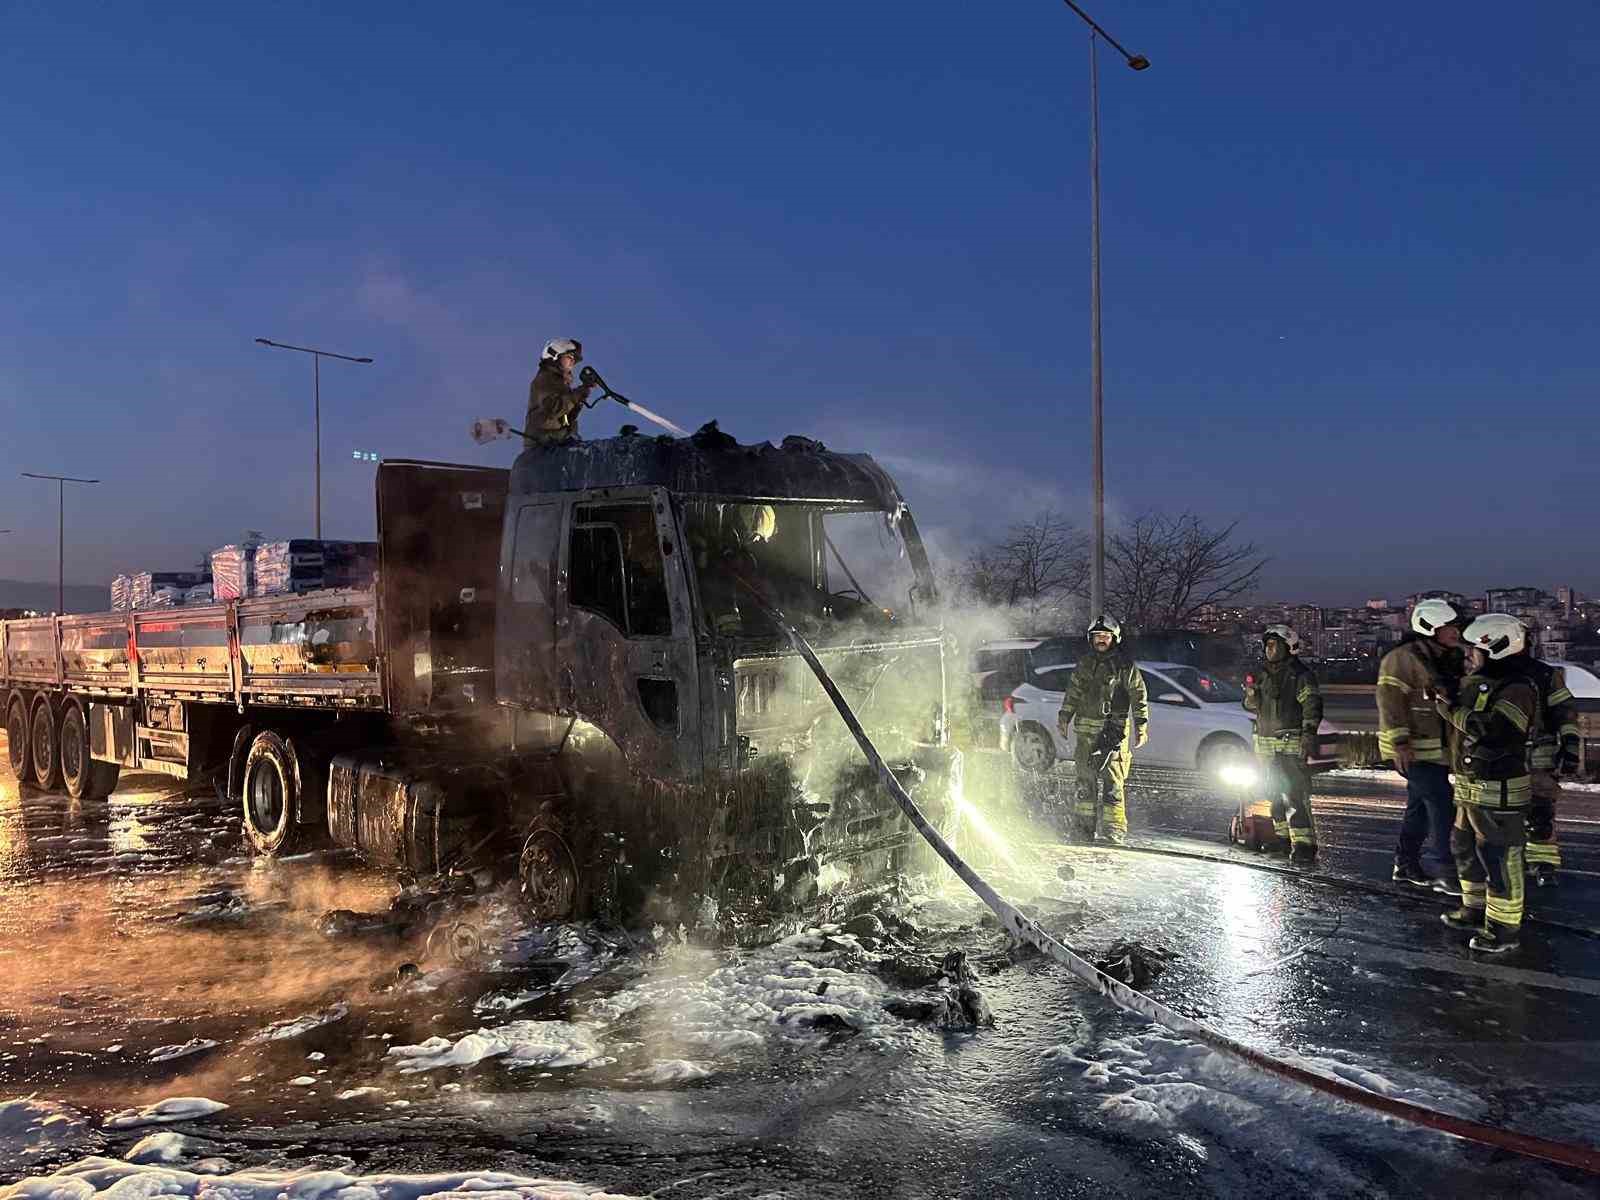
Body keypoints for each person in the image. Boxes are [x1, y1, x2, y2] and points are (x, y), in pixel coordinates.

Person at [1435, 614, 1540, 955]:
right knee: (1463, 846)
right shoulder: (1482, 683)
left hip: (1500, 787)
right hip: (1471, 786)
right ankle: (1474, 909)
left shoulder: (1517, 687)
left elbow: (1497, 731)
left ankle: (1503, 928)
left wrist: (1451, 710)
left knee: (1499, 856)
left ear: (1495, 647)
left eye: (1474, 650)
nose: (1469, 656)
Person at [1377, 598, 1465, 891]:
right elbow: (1390, 702)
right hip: (1412, 749)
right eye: (1449, 626)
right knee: (1441, 803)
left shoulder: (1446, 656)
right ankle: (1448, 871)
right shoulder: (1402, 658)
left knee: (1419, 807)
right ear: (1430, 626)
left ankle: (1405, 865)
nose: (1456, 631)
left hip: (1435, 751)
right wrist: (1400, 741)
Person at [1056, 615, 1148, 845]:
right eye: (1097, 636)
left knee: (1113, 785)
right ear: (1091, 638)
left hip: (1113, 735)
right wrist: (1064, 717)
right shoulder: (1085, 664)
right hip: (1085, 737)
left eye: (1105, 636)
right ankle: (1083, 830)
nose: (1101, 640)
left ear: (1114, 638)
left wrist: (1141, 726)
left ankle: (1114, 831)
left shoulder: (1124, 666)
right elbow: (1073, 693)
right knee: (1084, 784)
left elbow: (1139, 695)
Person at [1241, 625, 1323, 864]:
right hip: (1265, 745)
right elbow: (1250, 707)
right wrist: (1250, 698)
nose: (1269, 649)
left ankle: (1305, 845)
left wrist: (1309, 734)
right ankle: (1281, 838)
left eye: (1275, 644)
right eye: (1267, 644)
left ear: (1289, 647)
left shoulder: (1300, 675)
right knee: (1273, 794)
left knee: (1295, 795)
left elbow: (1312, 705)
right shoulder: (1262, 674)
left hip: (1291, 743)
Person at [1522, 622, 1581, 888]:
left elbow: (1564, 711)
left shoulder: (1543, 675)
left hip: (1538, 755)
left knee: (1540, 814)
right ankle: (1521, 861)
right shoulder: (1488, 675)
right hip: (1510, 756)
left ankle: (1543, 863)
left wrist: (1569, 744)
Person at [525, 337, 593, 447]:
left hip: (558, 443)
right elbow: (554, 409)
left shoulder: (561, 384)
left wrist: (584, 392)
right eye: (569, 357)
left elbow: (565, 418)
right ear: (555, 356)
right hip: (541, 446)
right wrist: (578, 394)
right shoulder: (545, 378)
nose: (573, 361)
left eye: (574, 359)